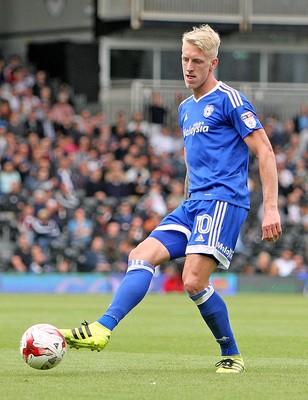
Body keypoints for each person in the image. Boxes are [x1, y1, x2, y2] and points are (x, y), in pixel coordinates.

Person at [61, 24, 282, 373]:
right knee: (141, 255)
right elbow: (192, 163)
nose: (189, 67)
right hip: (193, 203)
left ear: (213, 63)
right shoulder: (185, 109)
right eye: (184, 59)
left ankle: (232, 355)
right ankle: (101, 329)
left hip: (223, 202)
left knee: (193, 280)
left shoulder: (230, 100)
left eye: (197, 60)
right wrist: (184, 200)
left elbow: (265, 151)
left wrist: (271, 208)